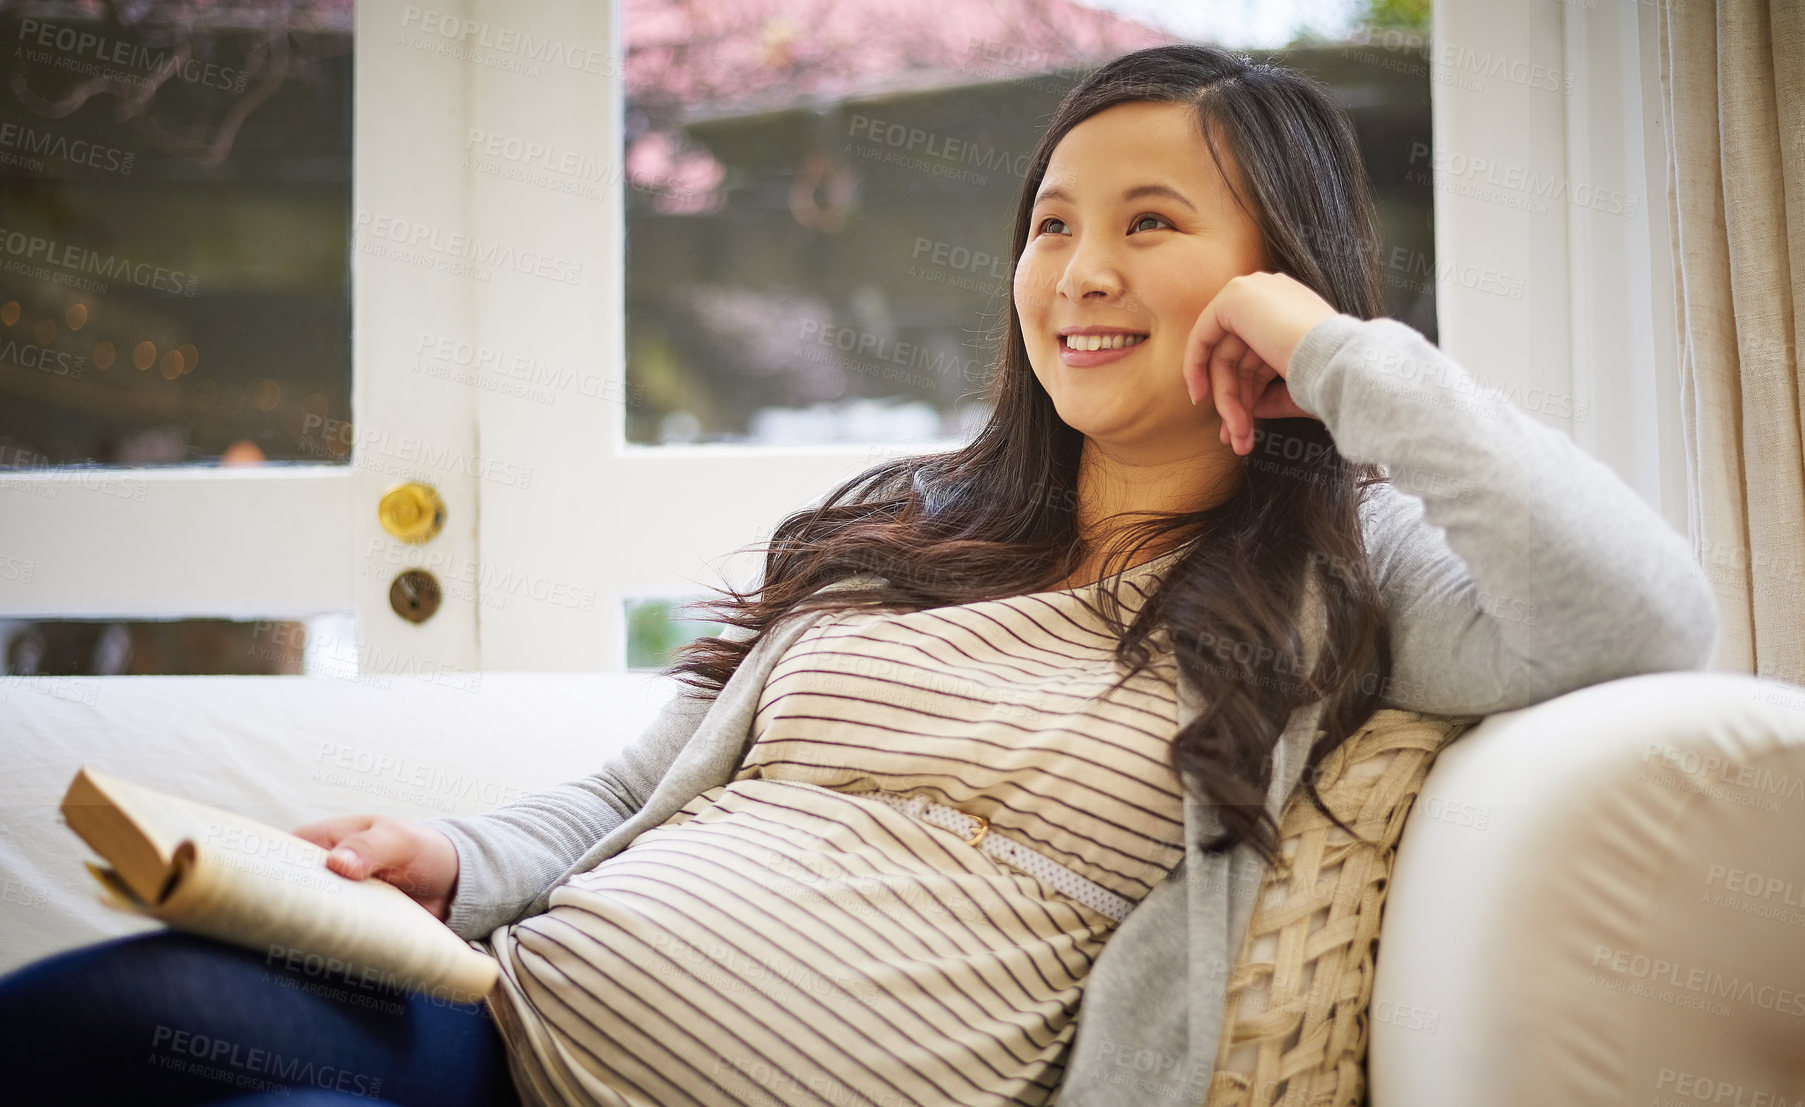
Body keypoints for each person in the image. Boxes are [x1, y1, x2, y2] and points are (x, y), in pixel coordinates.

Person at [0, 42, 1716, 1107]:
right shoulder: (917, 523)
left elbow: (1638, 617)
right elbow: (633, 795)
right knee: (123, 1007)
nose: (1077, 268)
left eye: (1152, 221)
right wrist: (455, 856)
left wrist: (1336, 353)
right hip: (509, 1039)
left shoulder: (1352, 575)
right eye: (1051, 220)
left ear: (1276, 274)